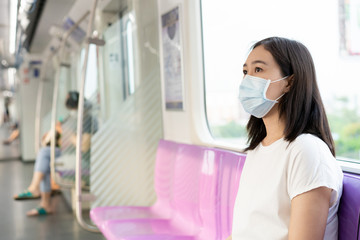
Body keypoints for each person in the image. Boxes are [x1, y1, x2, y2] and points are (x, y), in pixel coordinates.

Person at [229, 37, 343, 240]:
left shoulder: (306, 151)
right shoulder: (258, 150)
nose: (247, 80)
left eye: (258, 70)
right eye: (245, 72)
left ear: (289, 82)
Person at [13, 91, 97, 216]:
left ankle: (38, 193)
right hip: (71, 155)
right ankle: (43, 201)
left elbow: (84, 147)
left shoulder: (87, 120)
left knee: (45, 155)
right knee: (46, 157)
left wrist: (69, 134)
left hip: (84, 161)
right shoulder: (74, 119)